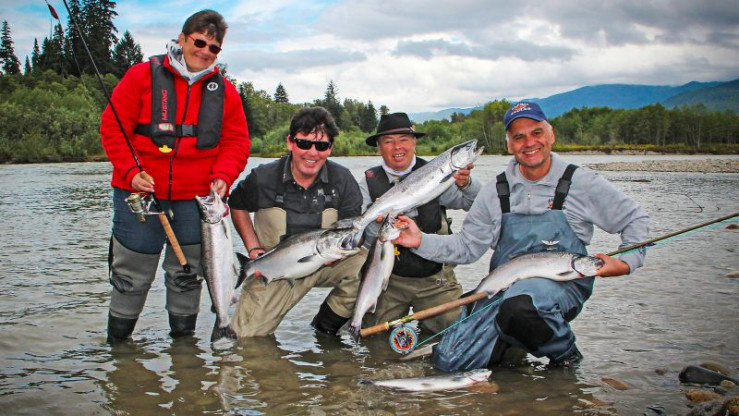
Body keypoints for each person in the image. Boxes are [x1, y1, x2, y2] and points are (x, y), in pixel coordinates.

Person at [393, 102, 649, 370]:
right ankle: (513, 353)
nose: (529, 143)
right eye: (519, 137)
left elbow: (635, 220)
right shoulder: (494, 191)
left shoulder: (581, 182)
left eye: (536, 133)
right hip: (504, 289)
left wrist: (625, 262)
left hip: (561, 287)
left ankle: (566, 356)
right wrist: (419, 240)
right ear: (509, 145)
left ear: (551, 135)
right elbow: (466, 247)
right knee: (449, 361)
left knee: (520, 306)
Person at [100, 10, 250, 343]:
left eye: (214, 48)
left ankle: (185, 353)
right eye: (199, 42)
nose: (205, 52)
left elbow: (237, 142)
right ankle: (118, 348)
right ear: (182, 39)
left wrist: (224, 175)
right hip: (139, 194)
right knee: (131, 275)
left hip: (196, 202)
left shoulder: (226, 92)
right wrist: (130, 171)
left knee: (187, 276)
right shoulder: (141, 76)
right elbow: (112, 128)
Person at [229, 106, 366, 337]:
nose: (312, 153)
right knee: (245, 340)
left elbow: (350, 229)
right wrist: (253, 248)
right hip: (277, 267)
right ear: (290, 142)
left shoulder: (342, 180)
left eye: (321, 146)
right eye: (304, 143)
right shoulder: (262, 178)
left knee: (369, 265)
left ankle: (324, 330)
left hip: (327, 262)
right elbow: (236, 205)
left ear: (330, 148)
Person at [359, 113, 481, 335]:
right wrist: (380, 224)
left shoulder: (438, 174)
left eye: (404, 139)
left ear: (414, 142)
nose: (398, 147)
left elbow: (474, 203)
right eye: (388, 141)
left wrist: (466, 183)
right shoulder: (367, 183)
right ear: (378, 147)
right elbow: (364, 242)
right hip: (389, 281)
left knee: (458, 334)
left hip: (436, 280)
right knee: (374, 339)